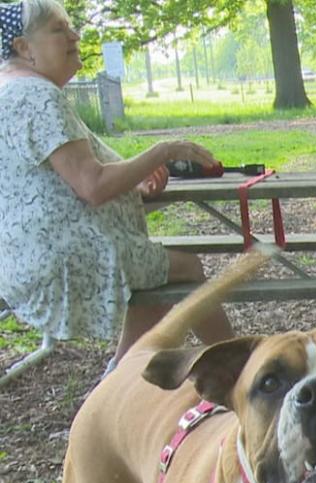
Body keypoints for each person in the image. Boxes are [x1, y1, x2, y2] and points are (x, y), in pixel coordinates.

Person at [0, 0, 232, 370]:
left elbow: (60, 182)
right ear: (23, 47)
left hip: (27, 260)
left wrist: (132, 183)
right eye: (59, 29)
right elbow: (91, 185)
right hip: (67, 259)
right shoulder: (36, 97)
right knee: (187, 269)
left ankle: (118, 378)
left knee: (156, 278)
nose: (74, 36)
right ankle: (243, 370)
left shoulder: (11, 92)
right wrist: (162, 151)